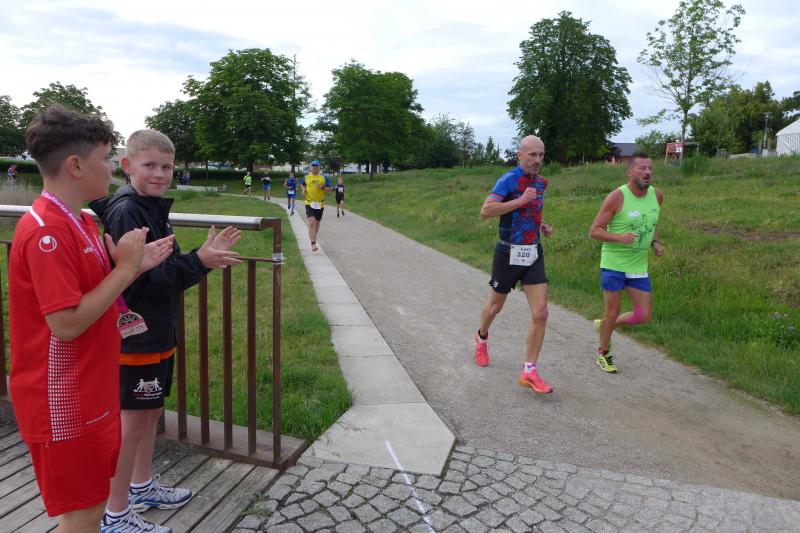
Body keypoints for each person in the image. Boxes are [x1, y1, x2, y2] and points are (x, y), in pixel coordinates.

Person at [9, 106, 174, 532]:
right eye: (106, 158)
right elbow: (65, 323)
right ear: (76, 165)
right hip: (61, 398)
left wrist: (133, 267)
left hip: (91, 387)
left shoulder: (81, 219)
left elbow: (96, 293)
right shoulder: (47, 232)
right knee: (82, 514)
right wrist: (125, 269)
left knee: (94, 503)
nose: (113, 169)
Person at [90, 130, 242, 533]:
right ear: (127, 165)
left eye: (167, 166)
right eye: (150, 165)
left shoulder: (149, 206)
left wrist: (197, 260)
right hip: (136, 334)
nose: (160, 173)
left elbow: (158, 268)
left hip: (155, 329)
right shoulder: (128, 211)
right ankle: (115, 513)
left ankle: (140, 487)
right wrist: (201, 261)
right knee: (132, 423)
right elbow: (143, 280)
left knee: (150, 412)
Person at [473, 135, 554, 394]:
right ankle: (481, 337)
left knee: (540, 313)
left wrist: (541, 225)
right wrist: (520, 200)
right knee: (495, 307)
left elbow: (531, 211)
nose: (537, 160)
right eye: (532, 154)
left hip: (533, 252)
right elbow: (486, 211)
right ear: (520, 155)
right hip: (508, 252)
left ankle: (529, 370)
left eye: (541, 155)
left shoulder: (541, 183)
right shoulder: (508, 180)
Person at [588, 153, 664, 373]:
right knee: (612, 310)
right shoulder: (617, 197)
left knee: (643, 315)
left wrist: (655, 242)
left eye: (650, 168)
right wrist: (619, 237)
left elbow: (652, 222)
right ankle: (603, 354)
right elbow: (594, 231)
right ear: (630, 172)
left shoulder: (657, 195)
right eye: (642, 168)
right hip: (614, 263)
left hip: (638, 265)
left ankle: (606, 325)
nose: (647, 172)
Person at [300, 160, 331, 251]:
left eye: (316, 166)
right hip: (309, 202)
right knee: (311, 222)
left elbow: (330, 189)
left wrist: (323, 187)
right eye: (313, 166)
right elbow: (302, 184)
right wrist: (303, 189)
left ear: (319, 167)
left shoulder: (324, 177)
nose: (315, 167)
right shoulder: (306, 177)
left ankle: (313, 236)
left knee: (317, 223)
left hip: (320, 203)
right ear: (311, 167)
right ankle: (313, 244)